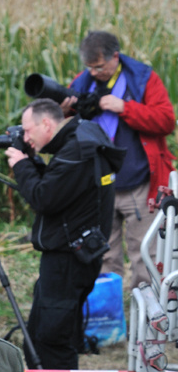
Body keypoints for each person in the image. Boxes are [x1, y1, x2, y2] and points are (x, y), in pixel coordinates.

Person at [6, 98, 124, 372]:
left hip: (69, 261)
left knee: (53, 343)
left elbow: (44, 197)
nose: (25, 137)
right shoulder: (79, 142)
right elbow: (58, 189)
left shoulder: (77, 152)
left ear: (47, 125)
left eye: (28, 130)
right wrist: (32, 162)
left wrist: (22, 165)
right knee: (36, 338)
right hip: (67, 258)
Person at [64, 30, 176, 289]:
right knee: (103, 255)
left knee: (146, 255)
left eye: (99, 67)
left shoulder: (143, 79)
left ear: (116, 57)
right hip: (97, 186)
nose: (93, 72)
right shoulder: (83, 81)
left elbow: (166, 121)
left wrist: (125, 108)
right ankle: (107, 318)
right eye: (89, 67)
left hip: (139, 185)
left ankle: (148, 320)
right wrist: (64, 109)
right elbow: (65, 125)